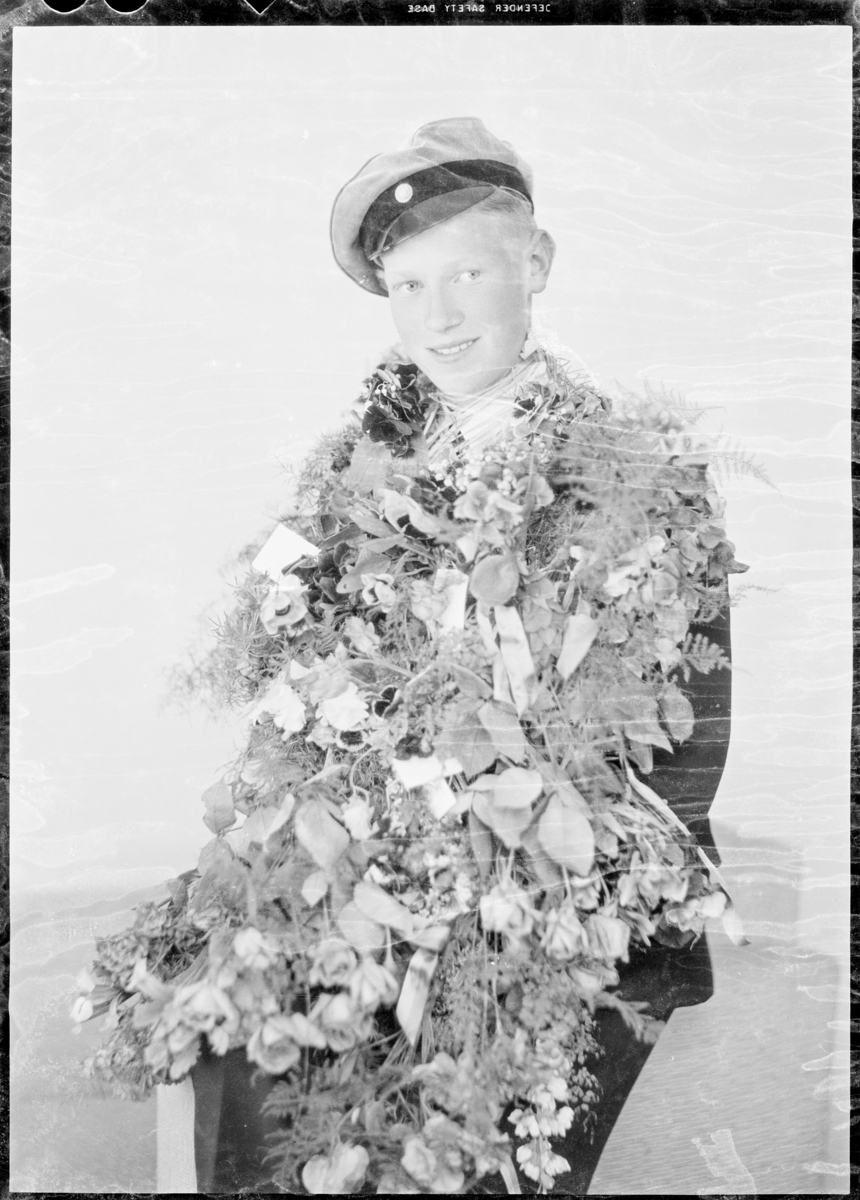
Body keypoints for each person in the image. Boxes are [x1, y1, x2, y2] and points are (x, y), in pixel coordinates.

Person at [185, 116, 733, 1195]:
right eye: (407, 286)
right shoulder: (358, 461)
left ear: (537, 265)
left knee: (464, 1162)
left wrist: (491, 893)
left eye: (468, 274)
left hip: (558, 911)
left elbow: (685, 747)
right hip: (368, 881)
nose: (436, 318)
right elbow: (286, 664)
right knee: (255, 1094)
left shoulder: (632, 468)